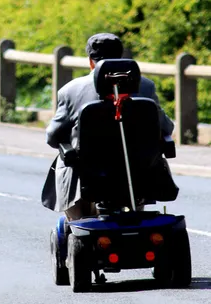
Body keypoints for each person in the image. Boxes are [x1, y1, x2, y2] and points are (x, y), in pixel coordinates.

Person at [41, 33, 175, 220]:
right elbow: (166, 128)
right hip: (138, 170)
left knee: (65, 158)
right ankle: (137, 214)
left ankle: (77, 220)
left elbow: (53, 137)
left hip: (91, 172)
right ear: (121, 57)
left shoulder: (71, 90)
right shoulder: (145, 86)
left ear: (90, 61)